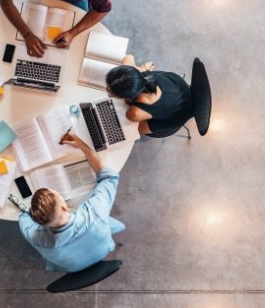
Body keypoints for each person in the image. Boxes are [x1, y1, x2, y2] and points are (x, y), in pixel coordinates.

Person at [18, 133, 125, 272]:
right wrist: (81, 145)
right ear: (64, 207)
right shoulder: (95, 213)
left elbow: (23, 218)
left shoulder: (37, 238)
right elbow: (109, 177)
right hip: (103, 249)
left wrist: (31, 212)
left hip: (72, 268)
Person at [105, 54, 193, 137]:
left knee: (132, 129)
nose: (106, 89)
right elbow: (129, 57)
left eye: (109, 90)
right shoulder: (142, 73)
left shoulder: (134, 113)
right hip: (180, 88)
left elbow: (138, 129)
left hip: (174, 118)